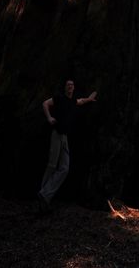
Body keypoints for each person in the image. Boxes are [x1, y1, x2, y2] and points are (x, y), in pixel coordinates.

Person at [38, 78, 97, 211]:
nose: (70, 87)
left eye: (72, 85)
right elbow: (45, 104)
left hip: (64, 137)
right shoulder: (59, 98)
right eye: (68, 85)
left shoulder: (72, 101)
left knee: (64, 168)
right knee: (52, 165)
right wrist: (49, 118)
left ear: (74, 88)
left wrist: (89, 99)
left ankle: (45, 194)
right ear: (65, 87)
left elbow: (80, 101)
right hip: (56, 134)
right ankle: (43, 196)